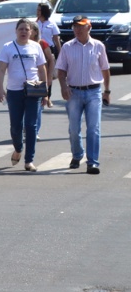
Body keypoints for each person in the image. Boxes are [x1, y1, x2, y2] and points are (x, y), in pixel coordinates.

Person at [56, 15, 111, 174]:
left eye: (81, 26)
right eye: (75, 27)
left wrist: (107, 91)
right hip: (74, 92)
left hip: (94, 91)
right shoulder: (67, 47)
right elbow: (61, 70)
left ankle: (92, 162)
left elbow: (105, 69)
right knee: (74, 128)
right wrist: (63, 86)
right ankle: (77, 154)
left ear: (89, 27)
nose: (77, 29)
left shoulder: (98, 46)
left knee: (93, 128)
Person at [0, 19, 49, 172]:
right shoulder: (8, 47)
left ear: (31, 32)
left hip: (33, 90)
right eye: (21, 29)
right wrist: (0, 89)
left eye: (27, 29)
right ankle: (18, 148)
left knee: (31, 126)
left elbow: (42, 69)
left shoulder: (36, 47)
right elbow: (1, 70)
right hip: (14, 91)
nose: (24, 32)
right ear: (16, 31)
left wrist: (44, 92)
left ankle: (29, 160)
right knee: (15, 126)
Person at [29, 21, 56, 139]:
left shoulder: (42, 43)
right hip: (26, 79)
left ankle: (35, 131)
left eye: (29, 29)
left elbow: (50, 59)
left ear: (35, 32)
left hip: (39, 79)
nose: (27, 31)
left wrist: (49, 76)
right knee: (26, 107)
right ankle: (27, 129)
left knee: (38, 106)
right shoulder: (21, 44)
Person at [36, 2, 62, 105]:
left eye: (39, 10)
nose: (37, 12)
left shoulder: (51, 23)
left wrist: (60, 53)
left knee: (48, 74)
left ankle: (48, 96)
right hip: (37, 49)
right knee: (39, 73)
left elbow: (56, 39)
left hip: (49, 50)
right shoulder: (34, 24)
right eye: (37, 10)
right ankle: (39, 95)